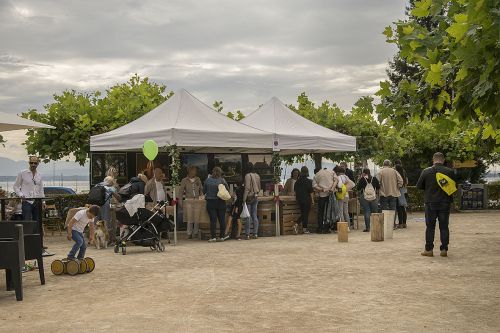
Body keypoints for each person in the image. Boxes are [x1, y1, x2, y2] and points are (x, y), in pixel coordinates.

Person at [416, 152, 455, 257]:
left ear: (433, 160)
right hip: (445, 202)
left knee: (430, 227)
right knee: (444, 226)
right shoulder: (450, 172)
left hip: (430, 203)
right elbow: (453, 187)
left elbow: (418, 186)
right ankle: (444, 250)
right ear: (443, 160)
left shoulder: (426, 171)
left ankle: (429, 250)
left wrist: (428, 188)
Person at [13, 156, 53, 256]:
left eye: (35, 163)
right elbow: (16, 186)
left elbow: (41, 189)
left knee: (38, 224)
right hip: (26, 202)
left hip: (37, 201)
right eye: (31, 163)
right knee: (26, 223)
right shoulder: (22, 173)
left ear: (38, 163)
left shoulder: (39, 175)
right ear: (29, 163)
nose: (33, 165)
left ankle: (39, 247)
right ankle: (25, 247)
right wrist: (21, 195)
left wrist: (43, 202)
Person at [203, 167, 229, 242]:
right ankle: (222, 236)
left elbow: (204, 191)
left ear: (212, 172)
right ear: (220, 173)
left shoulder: (207, 180)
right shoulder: (222, 180)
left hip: (210, 202)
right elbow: (227, 190)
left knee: (213, 220)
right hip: (221, 202)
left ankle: (213, 237)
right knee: (222, 220)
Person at [179, 166, 203, 239]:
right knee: (189, 218)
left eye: (196, 171)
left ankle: (195, 233)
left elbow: (201, 189)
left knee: (196, 217)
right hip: (189, 200)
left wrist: (201, 197)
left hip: (197, 200)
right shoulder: (184, 180)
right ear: (189, 171)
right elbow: (181, 191)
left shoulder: (198, 179)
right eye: (194, 171)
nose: (195, 172)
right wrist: (180, 201)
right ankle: (189, 233)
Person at [313, 167, 337, 233]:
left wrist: (323, 189)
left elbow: (314, 186)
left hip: (322, 195)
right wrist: (332, 188)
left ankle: (320, 228)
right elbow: (336, 180)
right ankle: (327, 228)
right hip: (331, 194)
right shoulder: (331, 171)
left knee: (321, 212)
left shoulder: (316, 175)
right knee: (330, 211)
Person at [243, 163, 262, 239]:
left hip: (249, 197)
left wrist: (244, 199)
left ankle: (247, 234)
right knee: (254, 215)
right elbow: (259, 187)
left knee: (248, 216)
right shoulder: (257, 175)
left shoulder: (247, 175)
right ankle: (255, 233)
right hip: (255, 197)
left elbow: (247, 188)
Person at [294, 166, 314, 234]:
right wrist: (313, 201)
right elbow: (311, 192)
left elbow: (295, 190)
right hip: (307, 199)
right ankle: (299, 225)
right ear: (307, 172)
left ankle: (304, 228)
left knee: (303, 213)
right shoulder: (309, 181)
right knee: (305, 214)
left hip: (299, 199)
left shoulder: (297, 181)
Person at [99, 176, 120, 242]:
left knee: (97, 222)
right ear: (111, 182)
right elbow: (118, 197)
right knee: (108, 222)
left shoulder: (98, 185)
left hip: (97, 205)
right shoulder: (111, 188)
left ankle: (96, 238)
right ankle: (108, 239)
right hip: (106, 206)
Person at [394, 160, 408, 229]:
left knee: (399, 208)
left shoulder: (396, 173)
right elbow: (407, 182)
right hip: (404, 191)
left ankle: (400, 223)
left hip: (398, 191)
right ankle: (404, 223)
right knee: (403, 208)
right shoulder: (404, 172)